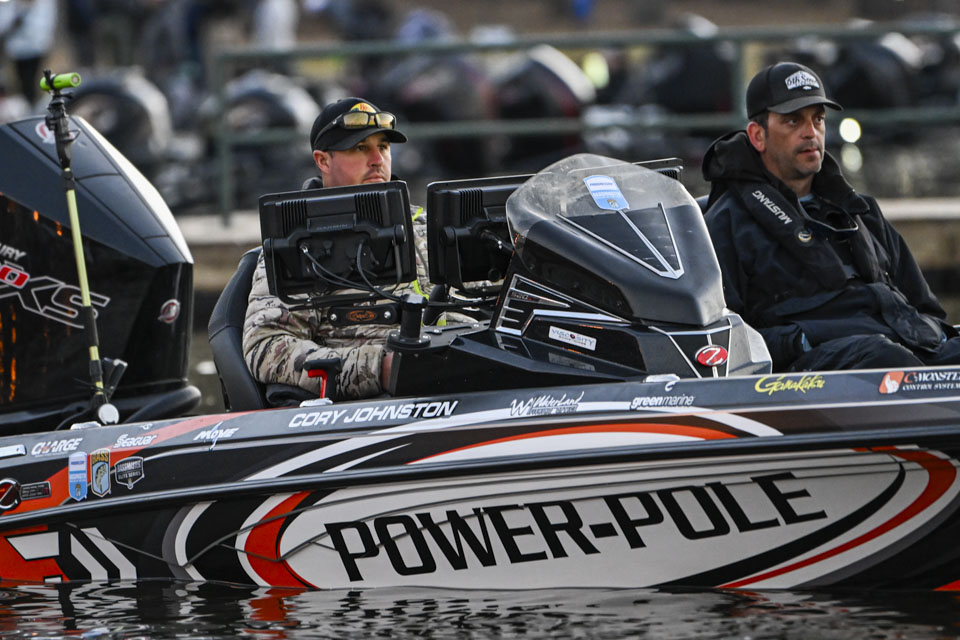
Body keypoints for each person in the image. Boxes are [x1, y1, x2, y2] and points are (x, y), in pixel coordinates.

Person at [702, 61, 960, 372]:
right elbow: (720, 343)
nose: (811, 133)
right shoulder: (726, 224)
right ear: (758, 136)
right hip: (816, 373)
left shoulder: (863, 213)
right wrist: (801, 341)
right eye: (793, 121)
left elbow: (928, 309)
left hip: (904, 347)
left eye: (818, 119)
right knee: (885, 359)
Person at [242, 97, 431, 401]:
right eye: (360, 148)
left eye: (383, 147)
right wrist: (378, 370)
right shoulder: (295, 245)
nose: (377, 159)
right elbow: (265, 346)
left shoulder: (427, 227)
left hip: (463, 389)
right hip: (374, 406)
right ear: (323, 161)